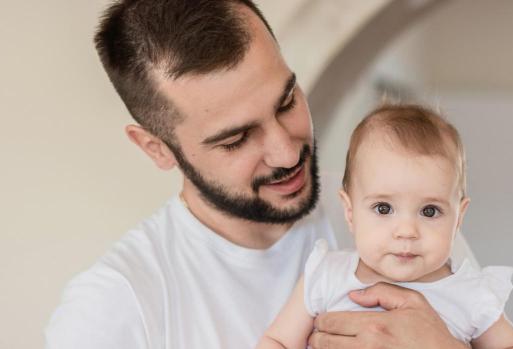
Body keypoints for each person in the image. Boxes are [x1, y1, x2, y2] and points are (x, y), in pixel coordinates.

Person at [45, 1, 474, 348]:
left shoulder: (397, 214)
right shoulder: (115, 306)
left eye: (286, 102)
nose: (287, 153)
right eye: (236, 139)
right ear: (156, 148)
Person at [258, 105, 513, 349]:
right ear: (350, 212)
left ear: (458, 218)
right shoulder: (326, 274)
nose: (407, 231)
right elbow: (278, 341)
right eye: (383, 208)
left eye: (429, 211)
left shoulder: (470, 294)